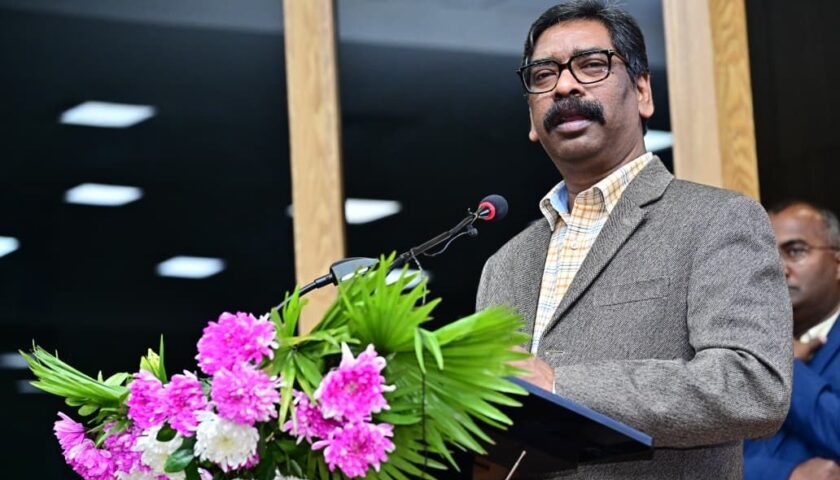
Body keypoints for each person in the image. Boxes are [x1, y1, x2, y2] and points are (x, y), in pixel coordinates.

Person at [475, 1, 792, 478]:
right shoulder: (503, 264)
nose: (564, 85)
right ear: (532, 120)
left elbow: (754, 386)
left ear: (642, 92)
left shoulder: (718, 220)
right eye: (543, 75)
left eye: (591, 65)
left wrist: (560, 386)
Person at [744, 201, 840, 480]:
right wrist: (785, 474)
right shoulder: (743, 348)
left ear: (837, 264)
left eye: (795, 251)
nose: (778, 269)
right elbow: (707, 460)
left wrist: (785, 365)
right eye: (766, 256)